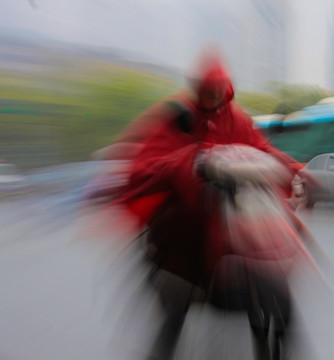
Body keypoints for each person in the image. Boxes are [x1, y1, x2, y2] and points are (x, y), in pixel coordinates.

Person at [120, 49, 301, 360]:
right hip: (186, 226)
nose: (215, 97)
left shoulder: (236, 118)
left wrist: (298, 172)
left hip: (238, 216)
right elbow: (147, 166)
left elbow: (264, 150)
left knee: (283, 267)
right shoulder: (175, 117)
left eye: (220, 91)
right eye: (209, 90)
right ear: (199, 88)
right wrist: (193, 162)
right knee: (173, 313)